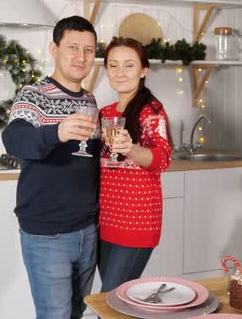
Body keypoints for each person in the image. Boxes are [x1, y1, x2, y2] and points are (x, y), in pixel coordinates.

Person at [1, 15, 100, 319]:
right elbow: (14, 140)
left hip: (87, 231)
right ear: (54, 49)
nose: (81, 57)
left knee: (76, 312)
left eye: (88, 50)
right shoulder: (34, 95)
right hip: (48, 235)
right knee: (55, 315)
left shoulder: (90, 100)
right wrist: (57, 132)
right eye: (73, 47)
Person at [98, 37, 173, 292]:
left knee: (110, 301)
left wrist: (131, 149)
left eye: (129, 65)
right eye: (113, 65)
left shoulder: (151, 111)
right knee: (112, 303)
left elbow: (162, 159)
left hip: (137, 221)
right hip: (106, 219)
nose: (120, 73)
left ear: (143, 70)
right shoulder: (105, 113)